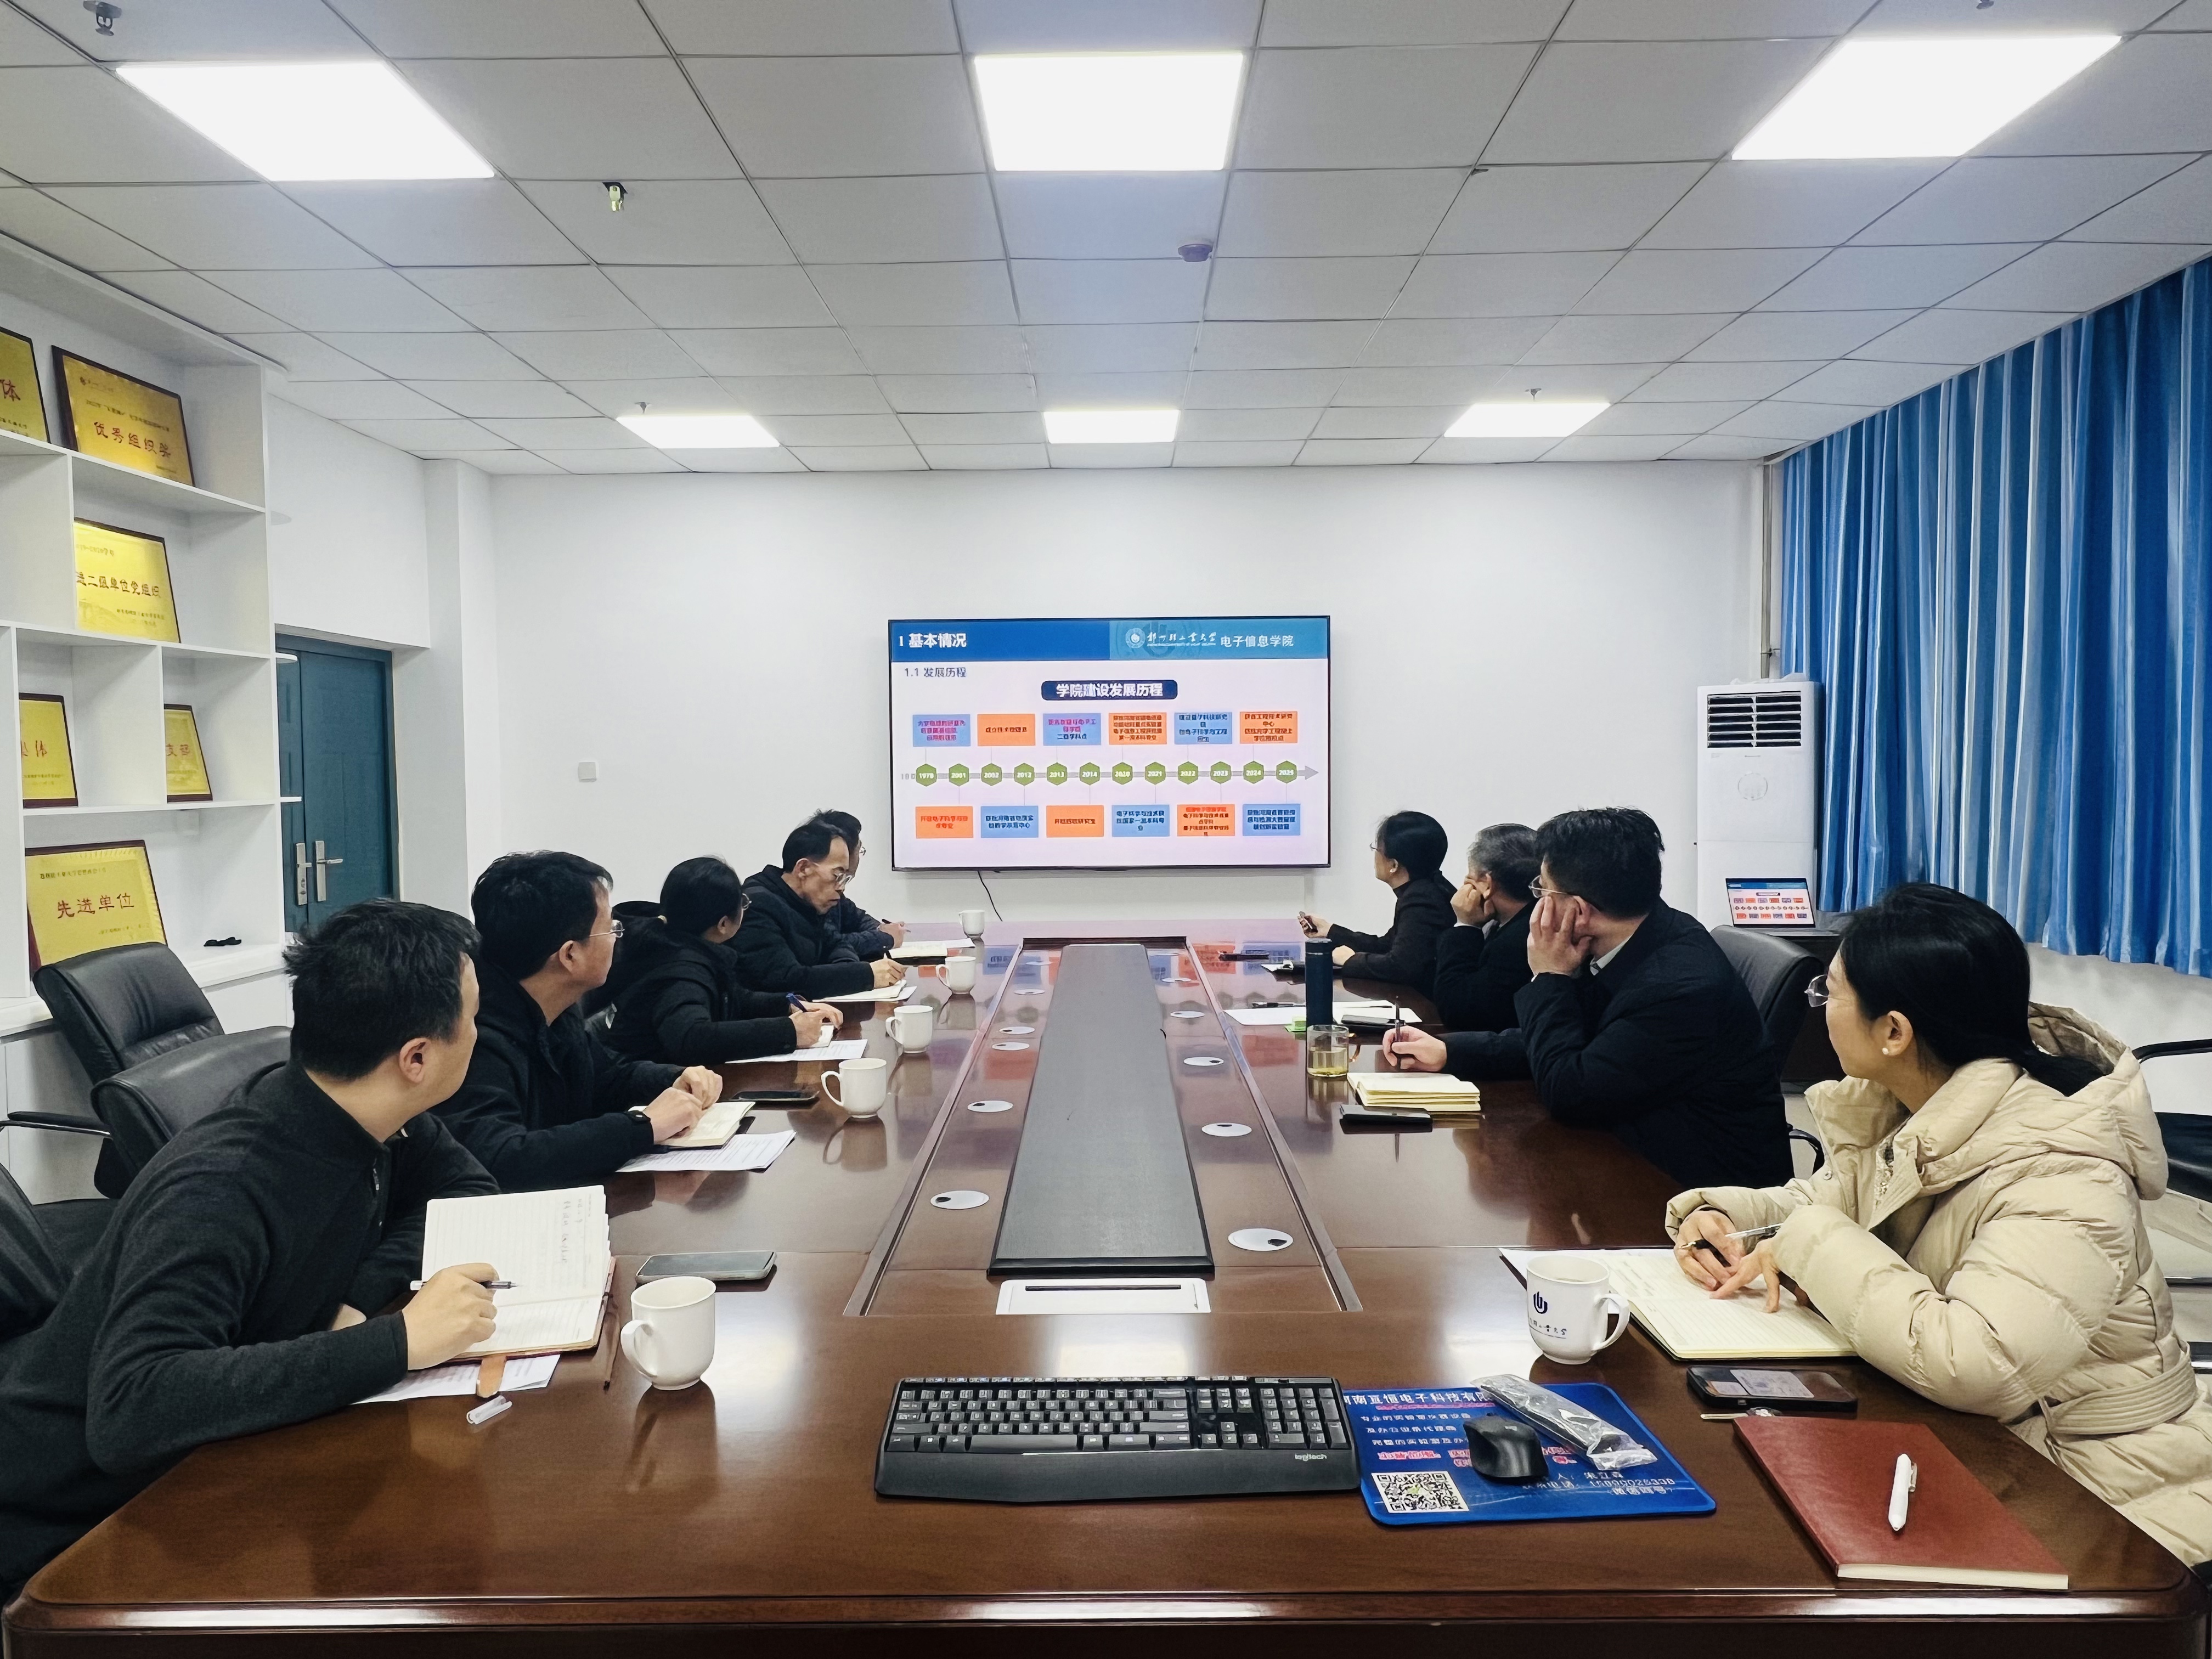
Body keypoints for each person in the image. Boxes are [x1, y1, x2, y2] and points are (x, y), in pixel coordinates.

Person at [1668, 883, 2212, 1570]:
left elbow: (1980, 1363)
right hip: (1982, 1437)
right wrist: (1719, 1215)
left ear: (1894, 1032)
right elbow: (1825, 1198)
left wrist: (1806, 1240)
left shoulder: (2062, 1167)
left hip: (2095, 1473)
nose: (1821, 1008)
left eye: (1829, 993)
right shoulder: (1919, 1105)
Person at [0, 900, 503, 1599]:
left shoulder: (366, 1109)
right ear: (416, 1057)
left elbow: (465, 1189)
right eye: (473, 1017)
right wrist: (396, 1343)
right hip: (80, 1527)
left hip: (220, 1461)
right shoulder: (223, 1187)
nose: (479, 1032)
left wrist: (359, 1296)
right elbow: (133, 1409)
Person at [1383, 807, 1787, 1187]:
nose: (1538, 901)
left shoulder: (1679, 988)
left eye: (1543, 889)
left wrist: (1549, 976)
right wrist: (1451, 1051)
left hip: (1693, 1193)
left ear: (1577, 909)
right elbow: (1580, 1038)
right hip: (1631, 1149)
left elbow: (1570, 1091)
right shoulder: (1643, 935)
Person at [437, 851, 722, 1190]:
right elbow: (503, 1157)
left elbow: (607, 1078)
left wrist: (675, 1078)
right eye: (610, 929)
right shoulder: (474, 1033)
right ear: (570, 955)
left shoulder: (556, 1007)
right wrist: (643, 1126)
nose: (617, 937)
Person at [603, 856, 838, 1064]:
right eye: (742, 903)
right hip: (649, 1090)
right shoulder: (679, 970)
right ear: (724, 924)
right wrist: (789, 1032)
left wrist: (788, 1005)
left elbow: (734, 999)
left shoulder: (681, 947)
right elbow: (692, 1039)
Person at [733, 821, 907, 998]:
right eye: (837, 876)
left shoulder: (806, 901)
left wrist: (848, 969)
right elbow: (785, 980)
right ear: (803, 869)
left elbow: (836, 944)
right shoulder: (757, 906)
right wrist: (866, 975)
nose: (841, 888)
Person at [1297, 810, 1455, 995]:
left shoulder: (1422, 901)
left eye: (1377, 850)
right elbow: (1386, 946)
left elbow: (1401, 967)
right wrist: (1330, 931)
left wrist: (1351, 960)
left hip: (1426, 1005)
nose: (1375, 856)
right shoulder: (1424, 890)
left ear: (1393, 865)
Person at [1427, 823, 1538, 1077]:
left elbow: (1457, 1011)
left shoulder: (1522, 937)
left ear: (1486, 884)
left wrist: (1465, 925)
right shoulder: (1516, 920)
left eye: (1470, 877)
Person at [808, 810, 905, 959]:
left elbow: (858, 919)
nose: (840, 887)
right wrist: (885, 938)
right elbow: (831, 944)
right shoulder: (808, 895)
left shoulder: (834, 892)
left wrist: (880, 930)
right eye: (859, 850)